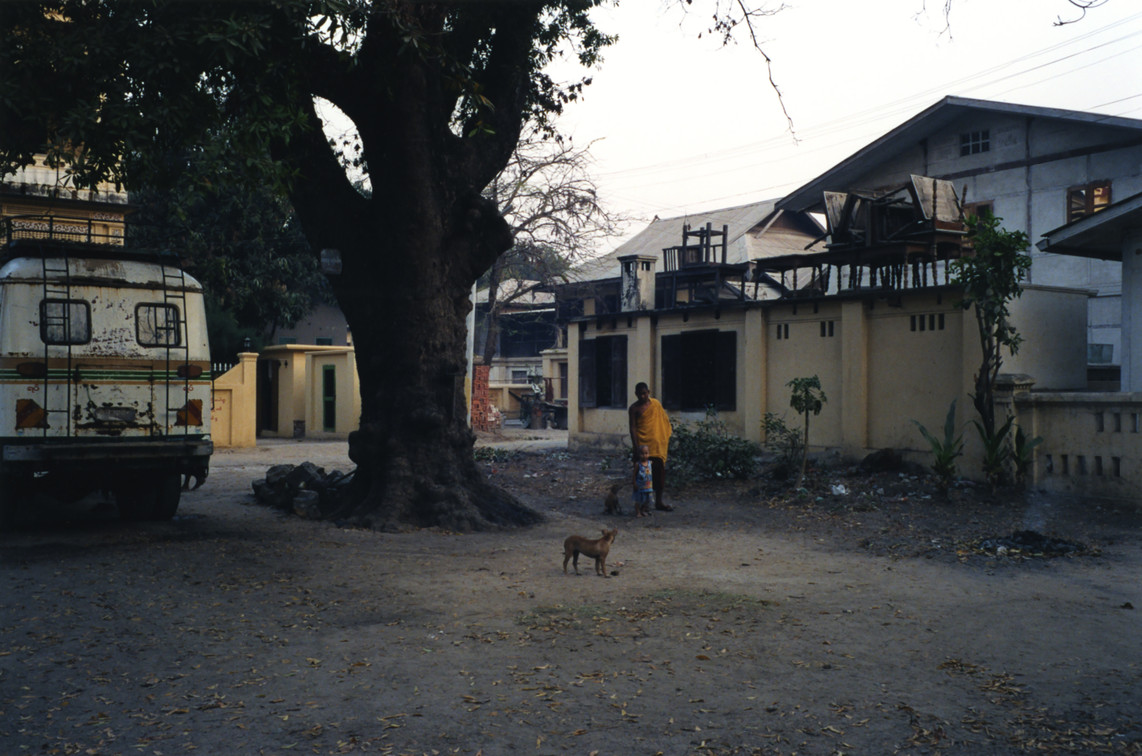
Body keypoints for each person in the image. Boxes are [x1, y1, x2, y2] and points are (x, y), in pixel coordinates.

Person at [628, 382, 673, 511]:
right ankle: (643, 504)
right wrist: (636, 447)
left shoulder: (656, 404)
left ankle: (659, 502)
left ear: (648, 392)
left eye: (644, 393)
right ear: (636, 394)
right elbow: (633, 428)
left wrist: (662, 438)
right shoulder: (634, 409)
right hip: (643, 447)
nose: (642, 396)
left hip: (657, 446)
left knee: (659, 475)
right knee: (642, 476)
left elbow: (663, 422)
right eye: (639, 394)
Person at [631, 444, 654, 517]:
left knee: (647, 500)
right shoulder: (638, 464)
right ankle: (638, 511)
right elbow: (634, 475)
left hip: (648, 486)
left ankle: (643, 510)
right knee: (638, 500)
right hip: (640, 486)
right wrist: (634, 483)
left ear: (649, 453)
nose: (644, 455)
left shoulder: (650, 463)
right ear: (639, 454)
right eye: (642, 453)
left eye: (646, 453)